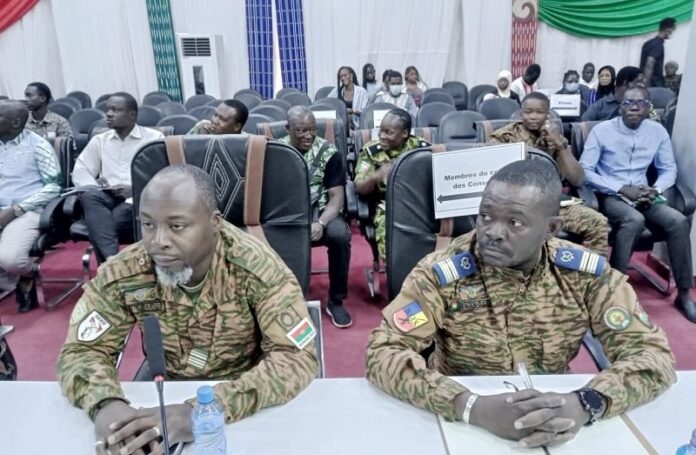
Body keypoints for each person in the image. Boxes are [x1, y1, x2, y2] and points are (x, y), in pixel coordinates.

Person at [365, 158, 676, 449]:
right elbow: (383, 352)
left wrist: (587, 402)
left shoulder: (583, 274)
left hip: (556, 412)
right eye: (485, 216)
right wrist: (469, 406)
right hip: (462, 419)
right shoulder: (441, 273)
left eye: (514, 222)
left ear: (551, 228)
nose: (492, 233)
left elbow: (652, 354)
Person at [58, 165, 318, 454]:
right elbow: (82, 350)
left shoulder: (258, 269)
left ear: (214, 222)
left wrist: (208, 409)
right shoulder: (126, 271)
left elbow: (297, 357)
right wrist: (106, 405)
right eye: (148, 224)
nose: (158, 242)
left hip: (242, 392)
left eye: (176, 226)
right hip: (165, 385)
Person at [580, 86, 696, 323]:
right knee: (634, 220)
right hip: (611, 195)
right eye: (628, 103)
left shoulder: (657, 131)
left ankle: (684, 294)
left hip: (645, 195)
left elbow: (668, 168)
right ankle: (614, 289)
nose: (634, 107)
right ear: (620, 107)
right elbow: (586, 170)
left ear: (648, 107)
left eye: (640, 103)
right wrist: (620, 188)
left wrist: (656, 189)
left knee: (678, 221)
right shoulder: (602, 131)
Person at [488, 92, 609, 256]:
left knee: (597, 223)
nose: (533, 116)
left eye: (540, 112)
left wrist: (559, 144)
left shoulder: (554, 137)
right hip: (514, 204)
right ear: (521, 113)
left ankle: (592, 270)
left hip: (549, 204)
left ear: (548, 115)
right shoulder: (504, 137)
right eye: (528, 112)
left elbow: (578, 179)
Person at [279, 107, 352, 328]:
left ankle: (336, 300)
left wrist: (320, 223)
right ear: (288, 129)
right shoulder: (276, 151)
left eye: (312, 130)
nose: (308, 135)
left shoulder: (329, 153)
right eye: (302, 130)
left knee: (340, 235)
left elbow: (337, 198)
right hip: (287, 214)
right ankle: (285, 300)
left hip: (321, 212)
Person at [71, 92, 164, 264]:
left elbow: (162, 176)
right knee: (90, 196)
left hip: (137, 199)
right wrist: (95, 185)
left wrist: (135, 189)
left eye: (116, 110)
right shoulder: (100, 140)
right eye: (108, 109)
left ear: (132, 115)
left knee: (101, 225)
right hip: (107, 196)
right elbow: (81, 171)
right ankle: (112, 261)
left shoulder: (154, 138)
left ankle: (108, 264)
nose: (109, 114)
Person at [0, 100, 62, 312]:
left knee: (11, 260)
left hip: (26, 210)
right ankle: (9, 281)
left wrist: (16, 209)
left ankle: (27, 274)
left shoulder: (38, 145)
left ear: (15, 123)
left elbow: (54, 187)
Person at [355, 108, 429, 259]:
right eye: (381, 131)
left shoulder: (423, 150)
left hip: (420, 205)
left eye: (388, 132)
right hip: (388, 205)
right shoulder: (371, 152)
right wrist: (376, 176)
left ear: (404, 133)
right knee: (392, 247)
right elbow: (359, 187)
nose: (382, 136)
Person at [640, 17, 676, 87]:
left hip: (647, 82)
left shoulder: (648, 43)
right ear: (668, 29)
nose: (672, 32)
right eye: (673, 29)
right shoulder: (658, 44)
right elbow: (649, 65)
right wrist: (646, 87)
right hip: (653, 84)